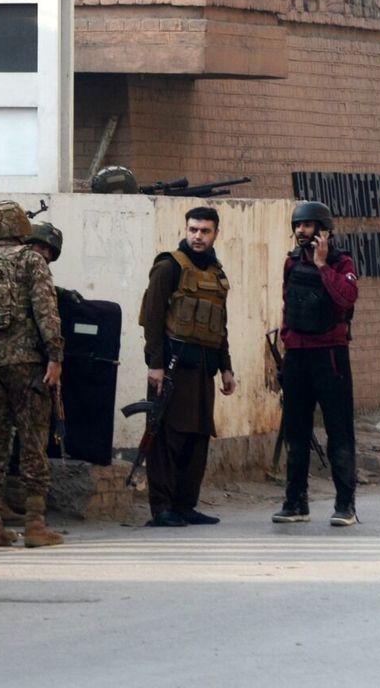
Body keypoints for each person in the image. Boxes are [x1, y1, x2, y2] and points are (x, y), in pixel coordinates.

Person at [0, 200, 65, 548]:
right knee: (33, 440)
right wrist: (55, 356)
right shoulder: (30, 260)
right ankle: (35, 525)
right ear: (22, 228)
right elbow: (46, 311)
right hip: (26, 365)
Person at [139, 206, 237, 527]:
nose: (198, 236)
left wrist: (226, 367)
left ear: (215, 234)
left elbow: (219, 325)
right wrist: (155, 364)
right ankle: (162, 508)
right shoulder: (168, 267)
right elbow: (153, 319)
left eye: (205, 231)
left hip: (204, 369)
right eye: (193, 229)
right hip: (172, 368)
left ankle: (185, 505)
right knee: (167, 437)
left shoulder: (216, 273)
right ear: (185, 230)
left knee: (197, 438)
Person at [272, 201, 360, 527]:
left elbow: (346, 298)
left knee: (339, 431)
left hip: (330, 355)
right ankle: (296, 503)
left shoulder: (342, 262)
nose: (301, 231)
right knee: (296, 432)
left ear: (323, 230)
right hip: (297, 355)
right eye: (298, 225)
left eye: (307, 225)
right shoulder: (291, 262)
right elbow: (288, 304)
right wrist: (286, 345)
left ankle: (345, 505)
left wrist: (323, 266)